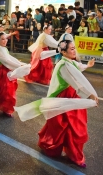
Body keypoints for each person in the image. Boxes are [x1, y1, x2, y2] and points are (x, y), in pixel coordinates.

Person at [16, 40, 98, 168]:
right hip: (65, 98)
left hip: (72, 97)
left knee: (73, 126)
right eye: (71, 49)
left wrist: (87, 65)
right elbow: (76, 81)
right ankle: (74, 156)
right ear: (63, 52)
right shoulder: (64, 65)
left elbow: (78, 68)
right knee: (70, 127)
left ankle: (74, 154)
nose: (74, 50)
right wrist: (90, 95)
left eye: (74, 48)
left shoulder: (69, 62)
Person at [0, 33, 30, 118]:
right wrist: (20, 66)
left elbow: (11, 58)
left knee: (9, 92)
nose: (5, 41)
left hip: (7, 72)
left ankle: (6, 109)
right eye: (3, 39)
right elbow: (6, 62)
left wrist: (21, 64)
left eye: (6, 39)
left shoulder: (4, 49)